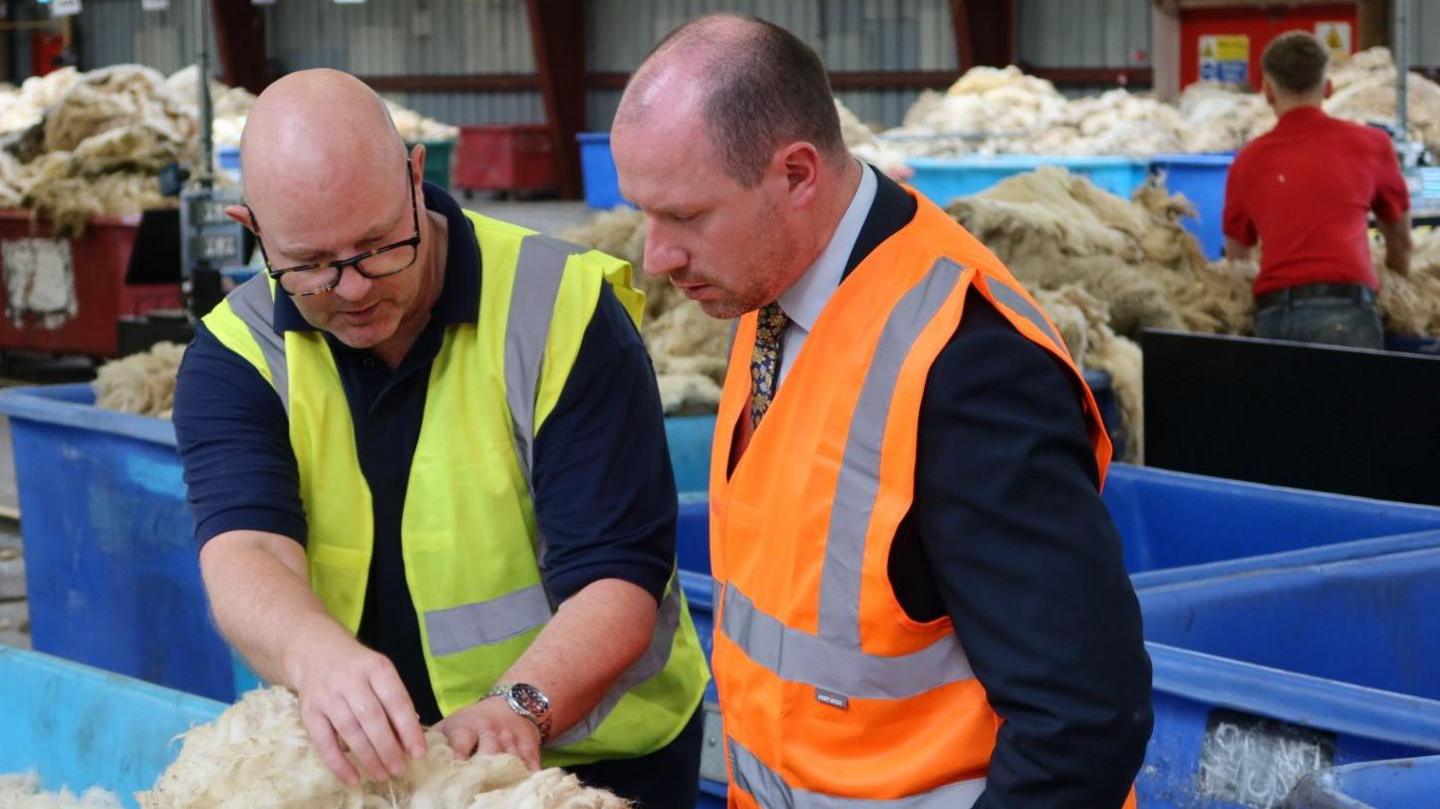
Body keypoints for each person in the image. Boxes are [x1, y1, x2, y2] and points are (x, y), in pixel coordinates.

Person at [610, 14, 1152, 809]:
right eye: (646, 215)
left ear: (797, 175)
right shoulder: (773, 287)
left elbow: (1084, 719)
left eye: (686, 217)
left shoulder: (966, 362)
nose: (657, 257)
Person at [172, 68, 709, 808]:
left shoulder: (558, 309)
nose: (354, 287)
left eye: (377, 245)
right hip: (375, 769)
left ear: (416, 176)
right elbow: (246, 550)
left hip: (592, 758)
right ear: (253, 229)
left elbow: (618, 576)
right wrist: (316, 656)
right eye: (313, 264)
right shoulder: (237, 351)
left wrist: (520, 705)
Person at [1224, 30, 1413, 350]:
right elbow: (1401, 240)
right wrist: (1396, 281)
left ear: (1267, 91)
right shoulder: (1372, 144)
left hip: (1275, 315)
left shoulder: (1247, 160)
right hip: (1349, 311)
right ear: (1328, 87)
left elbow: (1237, 259)